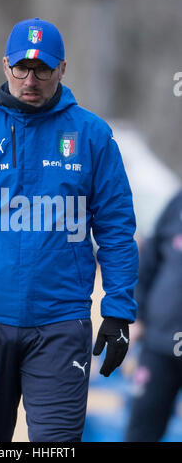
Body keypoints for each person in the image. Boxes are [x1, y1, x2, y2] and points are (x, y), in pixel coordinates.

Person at [0, 18, 139, 442]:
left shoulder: (92, 136)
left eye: (42, 69)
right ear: (5, 66)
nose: (30, 79)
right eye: (22, 68)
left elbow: (116, 230)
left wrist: (119, 310)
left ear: (62, 70)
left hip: (60, 324)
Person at [125, 189, 182, 442]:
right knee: (142, 428)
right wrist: (137, 314)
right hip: (160, 342)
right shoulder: (178, 202)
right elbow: (148, 260)